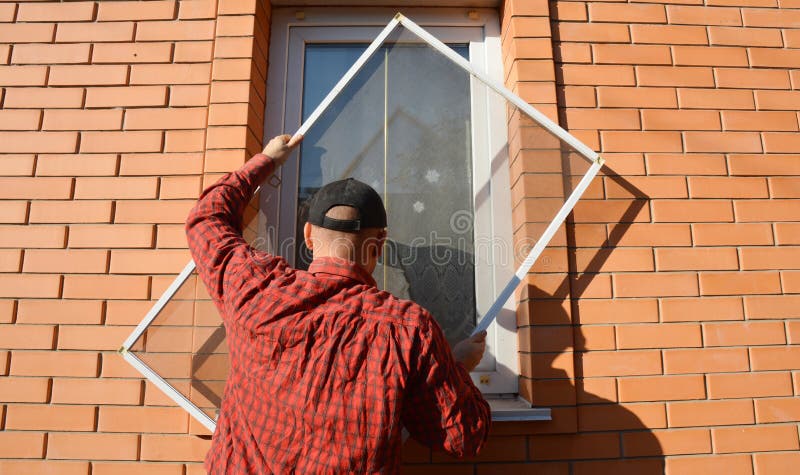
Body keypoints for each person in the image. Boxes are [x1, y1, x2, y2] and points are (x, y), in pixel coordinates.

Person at [186, 134, 491, 474]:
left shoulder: (257, 289)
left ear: (307, 236)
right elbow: (463, 437)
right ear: (378, 244)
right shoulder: (407, 330)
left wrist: (267, 160)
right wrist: (459, 366)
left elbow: (205, 219)